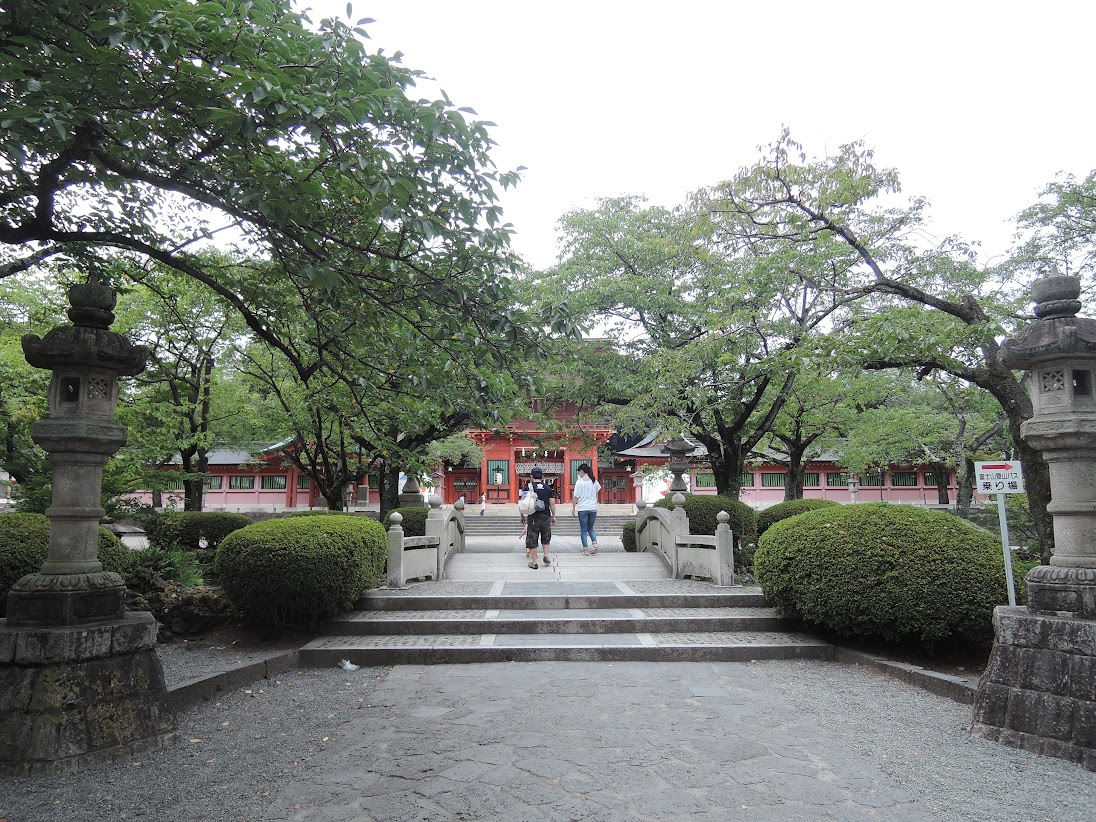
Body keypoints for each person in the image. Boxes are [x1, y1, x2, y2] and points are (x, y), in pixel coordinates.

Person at [524, 466, 556, 569]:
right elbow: (552, 503)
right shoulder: (548, 488)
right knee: (546, 536)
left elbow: (523, 502)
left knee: (532, 538)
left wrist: (521, 515)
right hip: (546, 515)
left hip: (533, 516)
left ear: (531, 476)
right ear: (542, 476)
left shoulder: (528, 487)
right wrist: (553, 516)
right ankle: (545, 555)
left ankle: (534, 562)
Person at [571, 463, 601, 555]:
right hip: (593, 508)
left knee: (584, 530)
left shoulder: (579, 482)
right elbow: (596, 493)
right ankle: (594, 543)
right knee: (590, 528)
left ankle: (585, 550)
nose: (578, 474)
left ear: (582, 471)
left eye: (579, 472)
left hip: (583, 508)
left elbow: (575, 496)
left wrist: (573, 508)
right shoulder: (594, 481)